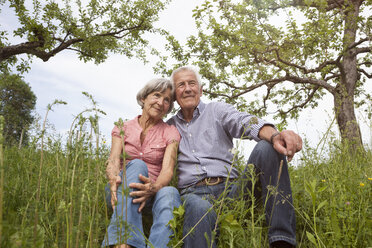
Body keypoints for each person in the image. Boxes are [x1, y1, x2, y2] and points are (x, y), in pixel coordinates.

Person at [167, 66, 302, 248]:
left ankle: (282, 241)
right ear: (175, 95)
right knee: (199, 208)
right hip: (194, 194)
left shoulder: (217, 110)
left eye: (192, 83)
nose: (188, 88)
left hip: (232, 190)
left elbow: (243, 121)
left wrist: (274, 135)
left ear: (201, 89)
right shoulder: (168, 128)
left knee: (267, 147)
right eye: (181, 85)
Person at [102, 78, 181, 248]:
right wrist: (113, 179)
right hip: (121, 191)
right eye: (156, 95)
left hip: (152, 193)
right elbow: (114, 159)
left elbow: (167, 170)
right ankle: (124, 243)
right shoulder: (122, 127)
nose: (161, 102)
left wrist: (153, 188)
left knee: (171, 192)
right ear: (144, 98)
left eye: (166, 100)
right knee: (137, 165)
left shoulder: (170, 132)